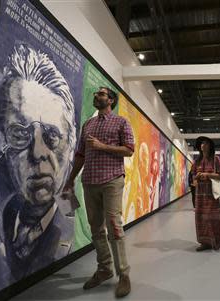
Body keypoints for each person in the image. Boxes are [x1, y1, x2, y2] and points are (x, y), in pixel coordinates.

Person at [0, 43, 76, 298]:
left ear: (71, 144)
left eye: (52, 135)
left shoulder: (72, 222)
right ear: (2, 140)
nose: (37, 153)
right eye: (20, 133)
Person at [64, 86, 134, 298]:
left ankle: (124, 274)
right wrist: (70, 179)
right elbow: (80, 155)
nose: (97, 96)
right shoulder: (88, 125)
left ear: (111, 100)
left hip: (112, 180)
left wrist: (103, 146)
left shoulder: (121, 122)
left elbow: (129, 150)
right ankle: (104, 268)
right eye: (96, 94)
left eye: (102, 94)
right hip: (89, 182)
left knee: (114, 227)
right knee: (96, 228)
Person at [192, 136, 220, 251]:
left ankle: (216, 240)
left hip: (212, 194)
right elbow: (193, 179)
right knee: (201, 218)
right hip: (200, 195)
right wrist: (196, 178)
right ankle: (204, 242)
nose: (203, 145)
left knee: (213, 217)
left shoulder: (215, 159)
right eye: (202, 143)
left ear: (210, 146)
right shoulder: (196, 161)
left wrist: (207, 175)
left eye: (206, 143)